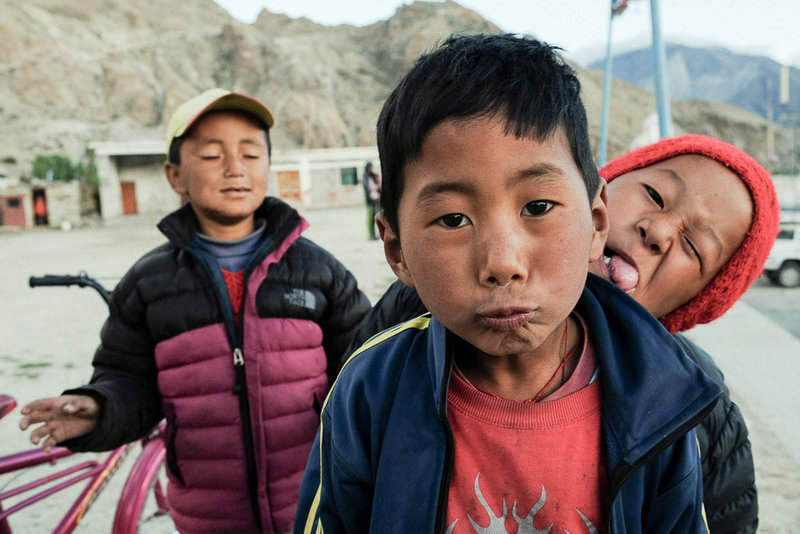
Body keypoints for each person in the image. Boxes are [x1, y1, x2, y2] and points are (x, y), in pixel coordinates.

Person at [294, 34, 723, 533]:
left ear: (597, 221)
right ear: (396, 251)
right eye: (453, 219)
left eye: (538, 207)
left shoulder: (661, 396)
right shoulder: (370, 390)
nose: (503, 263)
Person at [347, 133, 779, 534]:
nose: (660, 232)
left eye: (693, 247)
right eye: (654, 195)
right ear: (597, 196)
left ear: (696, 300)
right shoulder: (419, 308)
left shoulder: (703, 413)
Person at [19, 88, 371, 534]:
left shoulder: (319, 270)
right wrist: (99, 408)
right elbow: (129, 383)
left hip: (313, 506)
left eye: (250, 153)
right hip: (207, 519)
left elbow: (365, 370)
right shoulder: (149, 283)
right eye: (210, 155)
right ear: (174, 175)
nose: (234, 167)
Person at [363, 161, 381, 240]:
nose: (371, 169)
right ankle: (371, 235)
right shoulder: (366, 177)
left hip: (376, 199)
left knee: (375, 217)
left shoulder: (372, 176)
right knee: (370, 218)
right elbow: (368, 189)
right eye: (370, 167)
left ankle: (374, 234)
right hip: (370, 200)